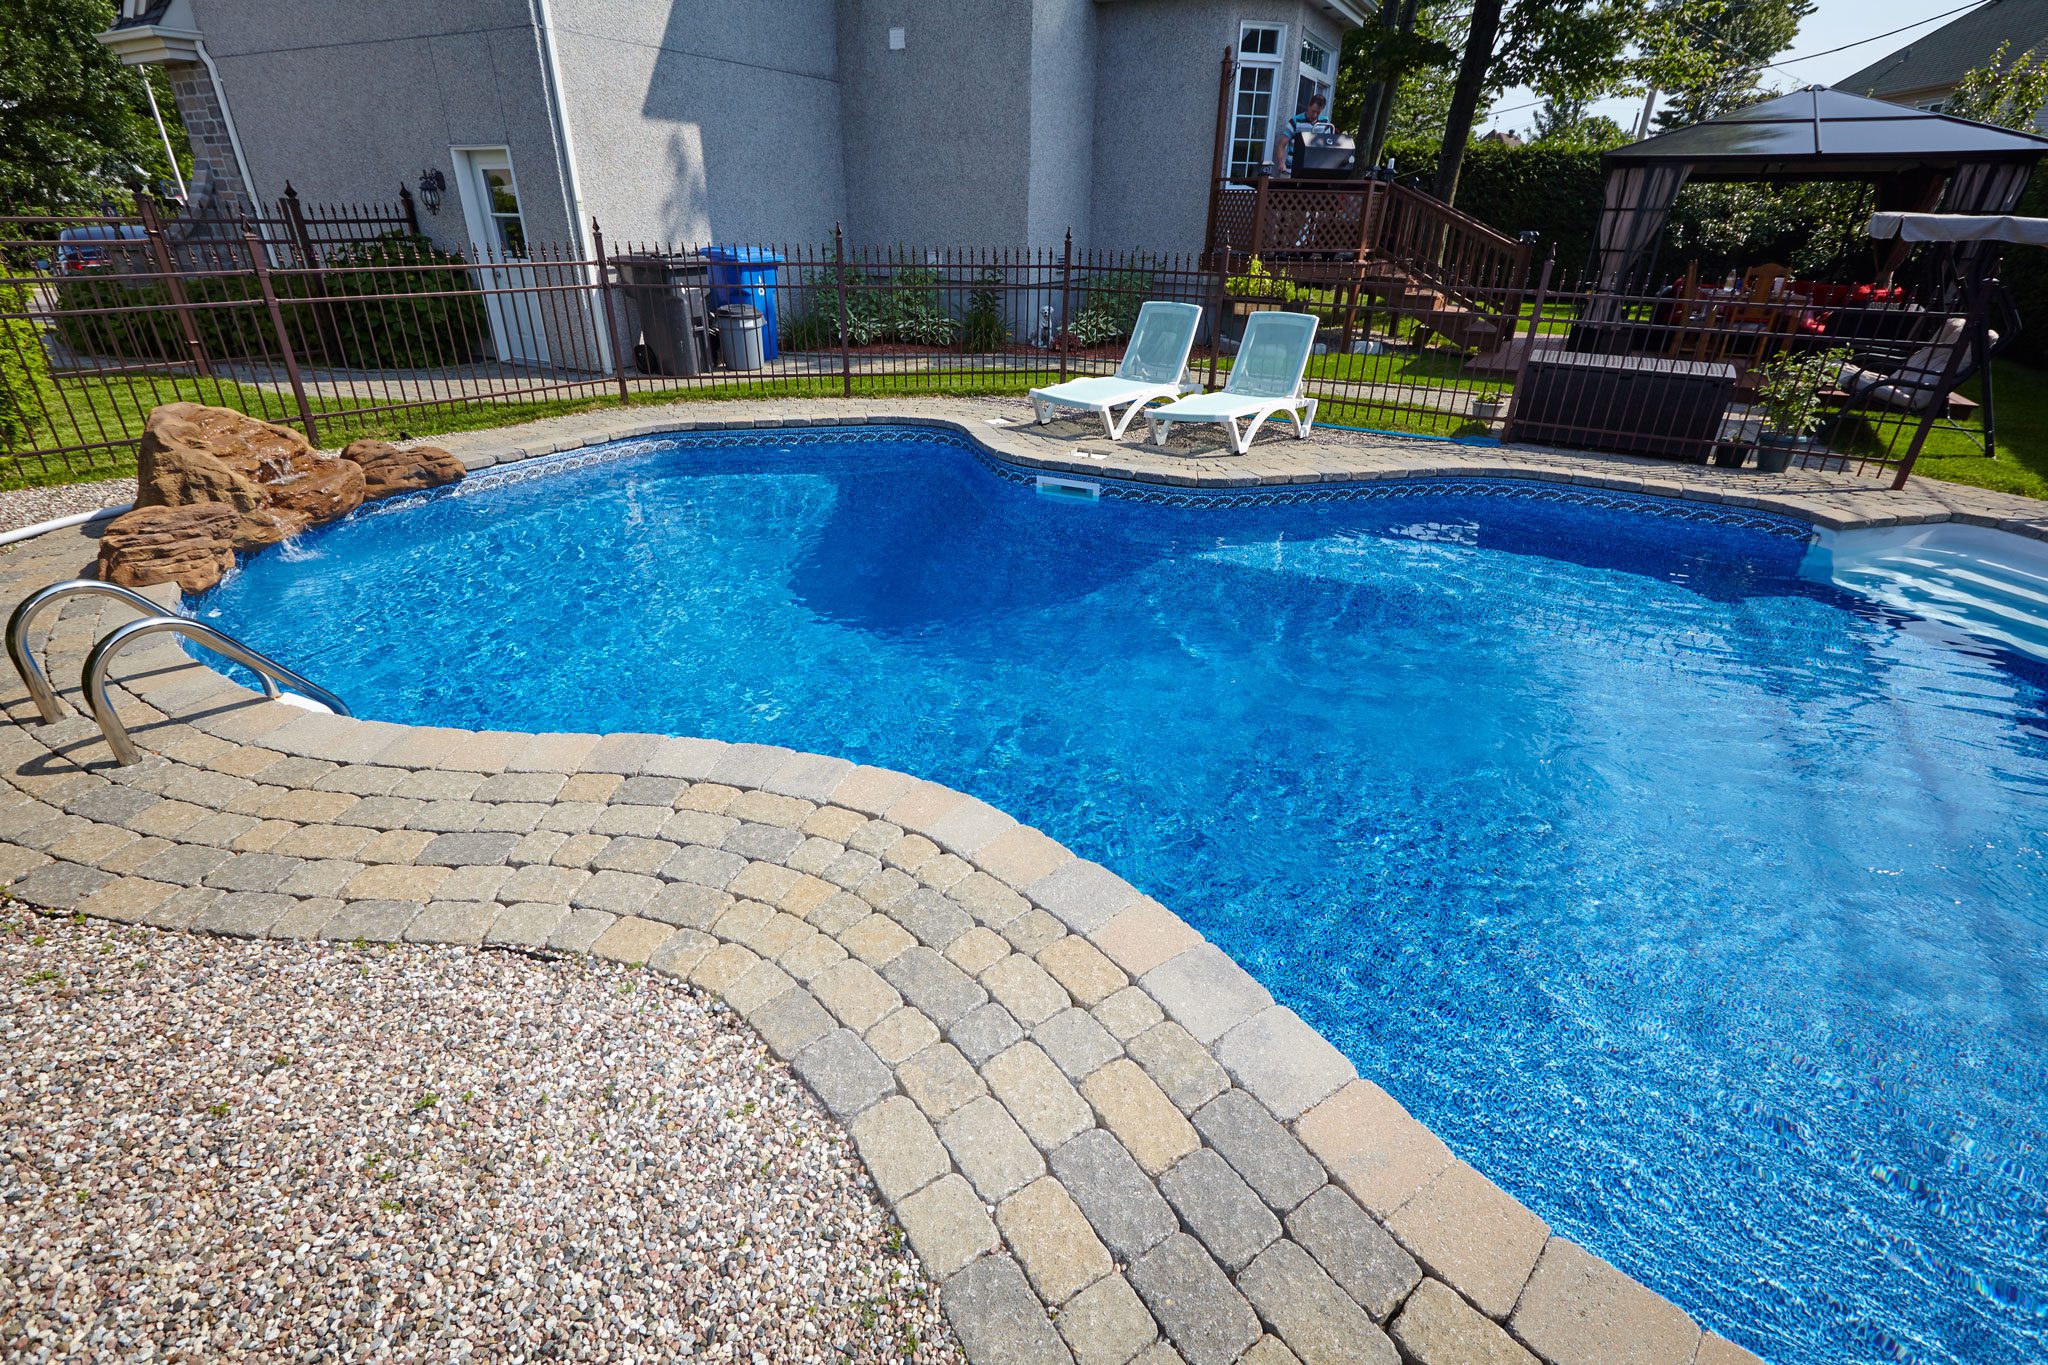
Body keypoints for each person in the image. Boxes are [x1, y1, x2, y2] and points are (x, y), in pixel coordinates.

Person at [1274, 94, 1328, 177]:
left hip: (1313, 171)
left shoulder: (1324, 122)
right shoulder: (1295, 121)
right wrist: (1281, 164)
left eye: (1318, 112)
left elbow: (1327, 147)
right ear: (1309, 106)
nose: (1314, 115)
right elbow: (1281, 145)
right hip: (1291, 171)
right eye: (1313, 111)